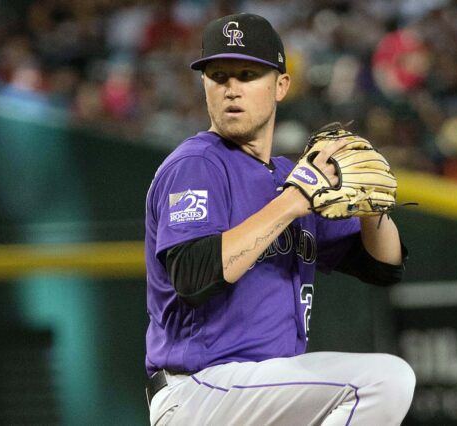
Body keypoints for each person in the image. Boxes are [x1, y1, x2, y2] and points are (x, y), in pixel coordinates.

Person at [144, 12, 415, 426]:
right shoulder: (198, 164)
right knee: (384, 380)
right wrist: (292, 201)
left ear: (280, 85)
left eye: (248, 74)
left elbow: (383, 267)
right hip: (200, 390)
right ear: (204, 85)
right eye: (219, 76)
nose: (232, 88)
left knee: (380, 382)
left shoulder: (292, 177)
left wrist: (370, 208)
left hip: (265, 394)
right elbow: (194, 276)